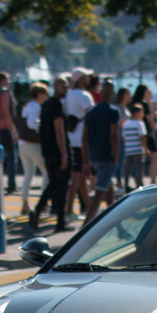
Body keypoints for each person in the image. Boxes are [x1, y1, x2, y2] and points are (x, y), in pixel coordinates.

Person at [31, 76, 70, 232]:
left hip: (48, 151)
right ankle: (58, 220)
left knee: (54, 183)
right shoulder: (56, 105)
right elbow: (59, 130)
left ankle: (40, 212)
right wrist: (64, 154)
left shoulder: (46, 104)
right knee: (61, 185)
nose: (66, 89)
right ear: (56, 87)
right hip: (57, 151)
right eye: (64, 86)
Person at [82, 80, 121, 222]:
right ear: (111, 93)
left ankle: (115, 223)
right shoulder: (113, 111)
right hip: (107, 156)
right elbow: (114, 136)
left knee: (108, 188)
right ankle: (85, 226)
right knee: (100, 192)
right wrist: (116, 156)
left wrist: (86, 159)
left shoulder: (91, 112)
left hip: (94, 156)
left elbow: (84, 137)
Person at [64, 71, 94, 220]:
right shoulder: (84, 95)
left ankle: (89, 209)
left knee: (79, 176)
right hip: (83, 138)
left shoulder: (68, 95)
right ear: (81, 79)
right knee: (77, 175)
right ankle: (68, 210)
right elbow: (92, 116)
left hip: (71, 138)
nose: (89, 79)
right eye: (86, 77)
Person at [17, 82, 49, 216]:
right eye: (45, 94)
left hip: (22, 144)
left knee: (28, 174)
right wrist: (43, 124)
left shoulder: (27, 106)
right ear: (40, 94)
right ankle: (44, 203)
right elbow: (31, 123)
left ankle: (24, 203)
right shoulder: (36, 106)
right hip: (32, 144)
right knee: (46, 172)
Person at [0, 72, 19, 193]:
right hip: (5, 128)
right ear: (3, 80)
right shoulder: (5, 93)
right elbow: (6, 113)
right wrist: (14, 130)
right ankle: (12, 184)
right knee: (11, 157)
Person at [133, 84, 157, 183]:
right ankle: (153, 179)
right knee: (155, 156)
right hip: (147, 133)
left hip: (135, 133)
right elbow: (150, 118)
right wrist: (155, 129)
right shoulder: (144, 104)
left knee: (139, 158)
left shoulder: (134, 103)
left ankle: (141, 179)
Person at [121, 102, 148, 190]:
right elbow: (142, 137)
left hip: (128, 150)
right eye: (141, 112)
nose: (143, 115)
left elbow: (123, 138)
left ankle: (126, 184)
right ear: (136, 113)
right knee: (138, 169)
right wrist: (145, 149)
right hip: (137, 150)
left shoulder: (126, 124)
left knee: (127, 168)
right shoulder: (139, 124)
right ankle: (139, 185)